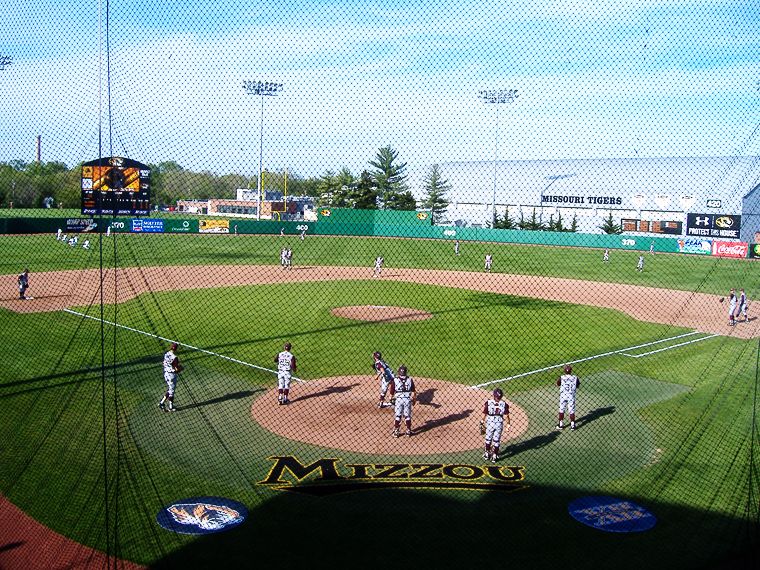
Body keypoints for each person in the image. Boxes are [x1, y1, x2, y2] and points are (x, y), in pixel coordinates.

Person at [482, 388, 510, 463]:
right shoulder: (504, 404)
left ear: (493, 395)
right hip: (499, 423)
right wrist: (508, 424)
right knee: (496, 440)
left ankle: (487, 454)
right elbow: (507, 416)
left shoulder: (488, 402)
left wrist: (482, 421)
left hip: (490, 423)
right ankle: (495, 456)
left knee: (488, 439)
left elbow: (485, 414)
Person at [390, 365, 416, 437]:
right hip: (407, 400)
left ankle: (396, 431)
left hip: (398, 400)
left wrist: (390, 399)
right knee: (407, 416)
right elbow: (414, 392)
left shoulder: (395, 380)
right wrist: (414, 400)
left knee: (398, 416)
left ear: (399, 372)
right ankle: (408, 431)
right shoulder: (410, 379)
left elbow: (391, 393)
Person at [158, 342, 182, 412]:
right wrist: (181, 368)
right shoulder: (175, 358)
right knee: (172, 392)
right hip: (172, 376)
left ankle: (161, 403)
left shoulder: (166, 354)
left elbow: (164, 363)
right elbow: (177, 370)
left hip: (166, 374)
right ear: (176, 349)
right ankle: (171, 407)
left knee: (170, 389)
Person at [556, 364, 579, 430]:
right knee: (571, 411)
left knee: (561, 410)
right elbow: (577, 386)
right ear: (571, 371)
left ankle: (561, 425)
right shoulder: (575, 377)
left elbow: (557, 384)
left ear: (564, 371)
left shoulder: (562, 377)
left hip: (563, 396)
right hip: (571, 396)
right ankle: (572, 425)